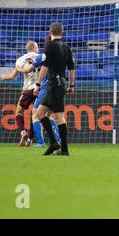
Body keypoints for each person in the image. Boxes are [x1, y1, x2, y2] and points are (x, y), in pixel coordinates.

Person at [34, 22, 75, 156]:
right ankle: (54, 143)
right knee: (40, 113)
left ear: (50, 32)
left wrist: (38, 84)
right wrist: (71, 85)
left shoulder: (49, 46)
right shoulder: (67, 47)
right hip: (60, 83)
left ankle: (64, 149)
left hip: (55, 83)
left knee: (59, 117)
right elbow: (71, 68)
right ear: (62, 33)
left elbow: (45, 67)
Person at [22, 35, 61, 147]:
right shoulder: (61, 56)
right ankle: (58, 140)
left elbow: (29, 69)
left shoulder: (42, 56)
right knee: (48, 115)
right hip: (58, 87)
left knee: (35, 114)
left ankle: (40, 142)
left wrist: (21, 68)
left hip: (46, 88)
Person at [0, 41, 39, 146]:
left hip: (27, 90)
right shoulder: (40, 57)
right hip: (39, 88)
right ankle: (30, 140)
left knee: (19, 112)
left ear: (27, 49)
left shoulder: (20, 60)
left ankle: (23, 132)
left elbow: (12, 76)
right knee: (36, 115)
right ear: (35, 48)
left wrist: (3, 77)